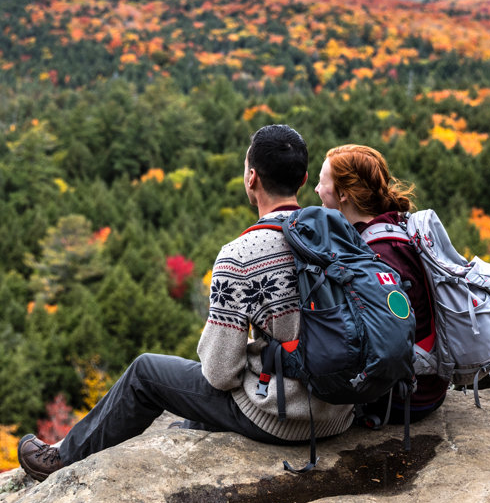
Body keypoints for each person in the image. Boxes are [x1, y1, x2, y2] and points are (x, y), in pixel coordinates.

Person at [18, 124, 353, 481]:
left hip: (283, 418)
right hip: (342, 409)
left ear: (251, 178)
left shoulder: (240, 255)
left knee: (146, 372)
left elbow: (220, 374)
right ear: (303, 179)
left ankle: (62, 459)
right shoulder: (338, 233)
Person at [315, 143, 449, 421]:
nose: (316, 190)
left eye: (321, 182)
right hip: (429, 387)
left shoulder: (375, 256)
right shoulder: (397, 228)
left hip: (404, 399)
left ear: (343, 195)